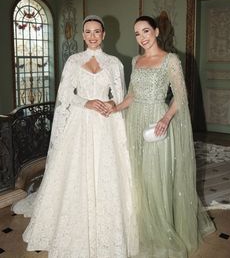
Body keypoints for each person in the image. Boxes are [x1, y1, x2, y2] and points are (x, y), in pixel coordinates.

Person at [13, 15, 138, 258]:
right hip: (80, 121)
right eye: (88, 32)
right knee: (75, 173)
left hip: (106, 123)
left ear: (104, 34)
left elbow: (121, 97)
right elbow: (65, 94)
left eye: (97, 32)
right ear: (82, 35)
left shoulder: (114, 63)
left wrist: (111, 102)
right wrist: (87, 102)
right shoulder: (73, 61)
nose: (92, 36)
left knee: (106, 173)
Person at [109, 15, 215, 258]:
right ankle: (144, 227)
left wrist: (165, 119)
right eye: (137, 34)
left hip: (157, 121)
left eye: (146, 31)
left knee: (155, 176)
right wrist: (116, 107)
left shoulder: (171, 60)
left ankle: (161, 229)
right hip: (134, 120)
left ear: (156, 32)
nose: (142, 37)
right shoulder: (136, 61)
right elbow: (132, 94)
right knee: (138, 177)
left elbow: (180, 97)